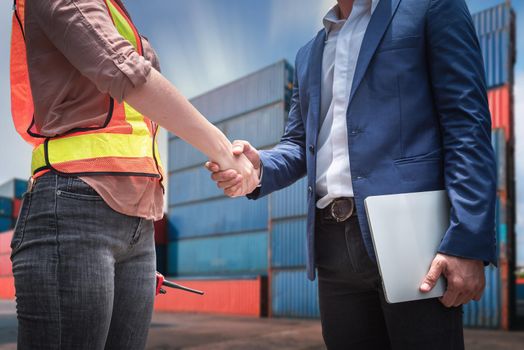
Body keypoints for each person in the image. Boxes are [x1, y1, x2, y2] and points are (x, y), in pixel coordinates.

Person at [207, 0, 497, 348]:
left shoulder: (430, 6)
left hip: (414, 242)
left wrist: (467, 241)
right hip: (332, 244)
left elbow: (467, 124)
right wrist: (259, 167)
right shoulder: (308, 54)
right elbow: (300, 144)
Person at [9, 0, 257, 349]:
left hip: (138, 221)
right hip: (74, 206)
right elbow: (123, 71)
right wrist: (221, 149)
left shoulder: (114, 10)